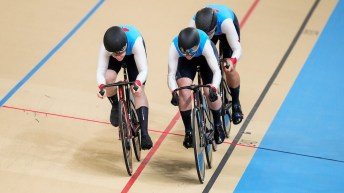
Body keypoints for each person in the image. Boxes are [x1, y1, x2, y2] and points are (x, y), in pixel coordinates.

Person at [167, 27, 226, 148]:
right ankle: (188, 131)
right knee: (184, 91)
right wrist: (173, 92)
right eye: (185, 51)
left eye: (191, 51)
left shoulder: (205, 45)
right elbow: (171, 74)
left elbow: (216, 72)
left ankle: (218, 124)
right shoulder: (174, 46)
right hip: (185, 63)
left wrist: (214, 88)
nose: (189, 54)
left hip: (205, 58)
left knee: (208, 91)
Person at [96, 25, 153, 150]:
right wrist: (101, 87)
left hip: (133, 55)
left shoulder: (135, 41)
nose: (119, 56)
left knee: (138, 92)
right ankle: (116, 105)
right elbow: (100, 71)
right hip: (119, 50)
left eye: (121, 53)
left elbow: (144, 70)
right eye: (115, 54)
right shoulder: (106, 46)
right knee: (109, 78)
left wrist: (138, 83)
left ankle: (144, 133)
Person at [189, 4, 244, 125]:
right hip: (208, 32)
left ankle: (236, 103)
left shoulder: (226, 23)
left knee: (228, 67)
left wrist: (232, 61)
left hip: (225, 32)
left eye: (209, 33)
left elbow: (237, 49)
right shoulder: (192, 25)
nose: (207, 37)